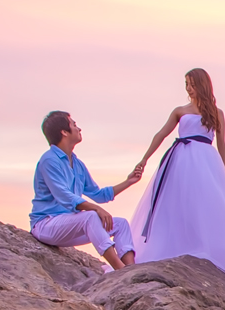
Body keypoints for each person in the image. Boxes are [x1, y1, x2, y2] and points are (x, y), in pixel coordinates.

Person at [131, 68, 225, 302]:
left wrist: (223, 174)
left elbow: (222, 144)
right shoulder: (180, 111)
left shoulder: (217, 113)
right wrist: (144, 159)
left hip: (205, 161)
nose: (187, 88)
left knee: (207, 206)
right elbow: (161, 135)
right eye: (185, 84)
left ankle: (213, 251)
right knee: (176, 204)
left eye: (191, 83)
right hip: (180, 160)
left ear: (202, 85)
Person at [29, 110, 142, 268]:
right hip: (46, 225)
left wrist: (128, 181)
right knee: (90, 216)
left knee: (120, 224)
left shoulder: (77, 163)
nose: (79, 128)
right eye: (74, 125)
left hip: (70, 225)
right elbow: (64, 196)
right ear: (64, 132)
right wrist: (96, 209)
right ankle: (119, 269)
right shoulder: (49, 161)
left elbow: (98, 194)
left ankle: (131, 269)